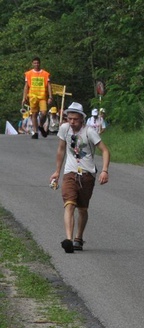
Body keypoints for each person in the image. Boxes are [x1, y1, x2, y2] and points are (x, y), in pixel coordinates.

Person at [49, 102, 111, 253]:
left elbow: (105, 151)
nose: (72, 122)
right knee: (69, 204)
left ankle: (78, 238)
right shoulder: (64, 129)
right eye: (69, 118)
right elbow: (61, 150)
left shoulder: (89, 132)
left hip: (87, 174)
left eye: (75, 119)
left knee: (82, 209)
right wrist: (57, 171)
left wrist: (104, 171)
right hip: (70, 172)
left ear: (82, 119)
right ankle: (69, 240)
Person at [22, 56, 53, 139]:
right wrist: (24, 98)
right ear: (32, 64)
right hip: (32, 96)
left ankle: (40, 125)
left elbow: (49, 86)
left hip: (42, 96)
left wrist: (50, 97)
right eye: (34, 63)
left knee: (44, 113)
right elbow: (26, 86)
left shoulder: (45, 74)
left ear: (40, 63)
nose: (36, 64)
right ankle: (35, 132)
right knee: (34, 114)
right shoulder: (28, 74)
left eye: (37, 63)